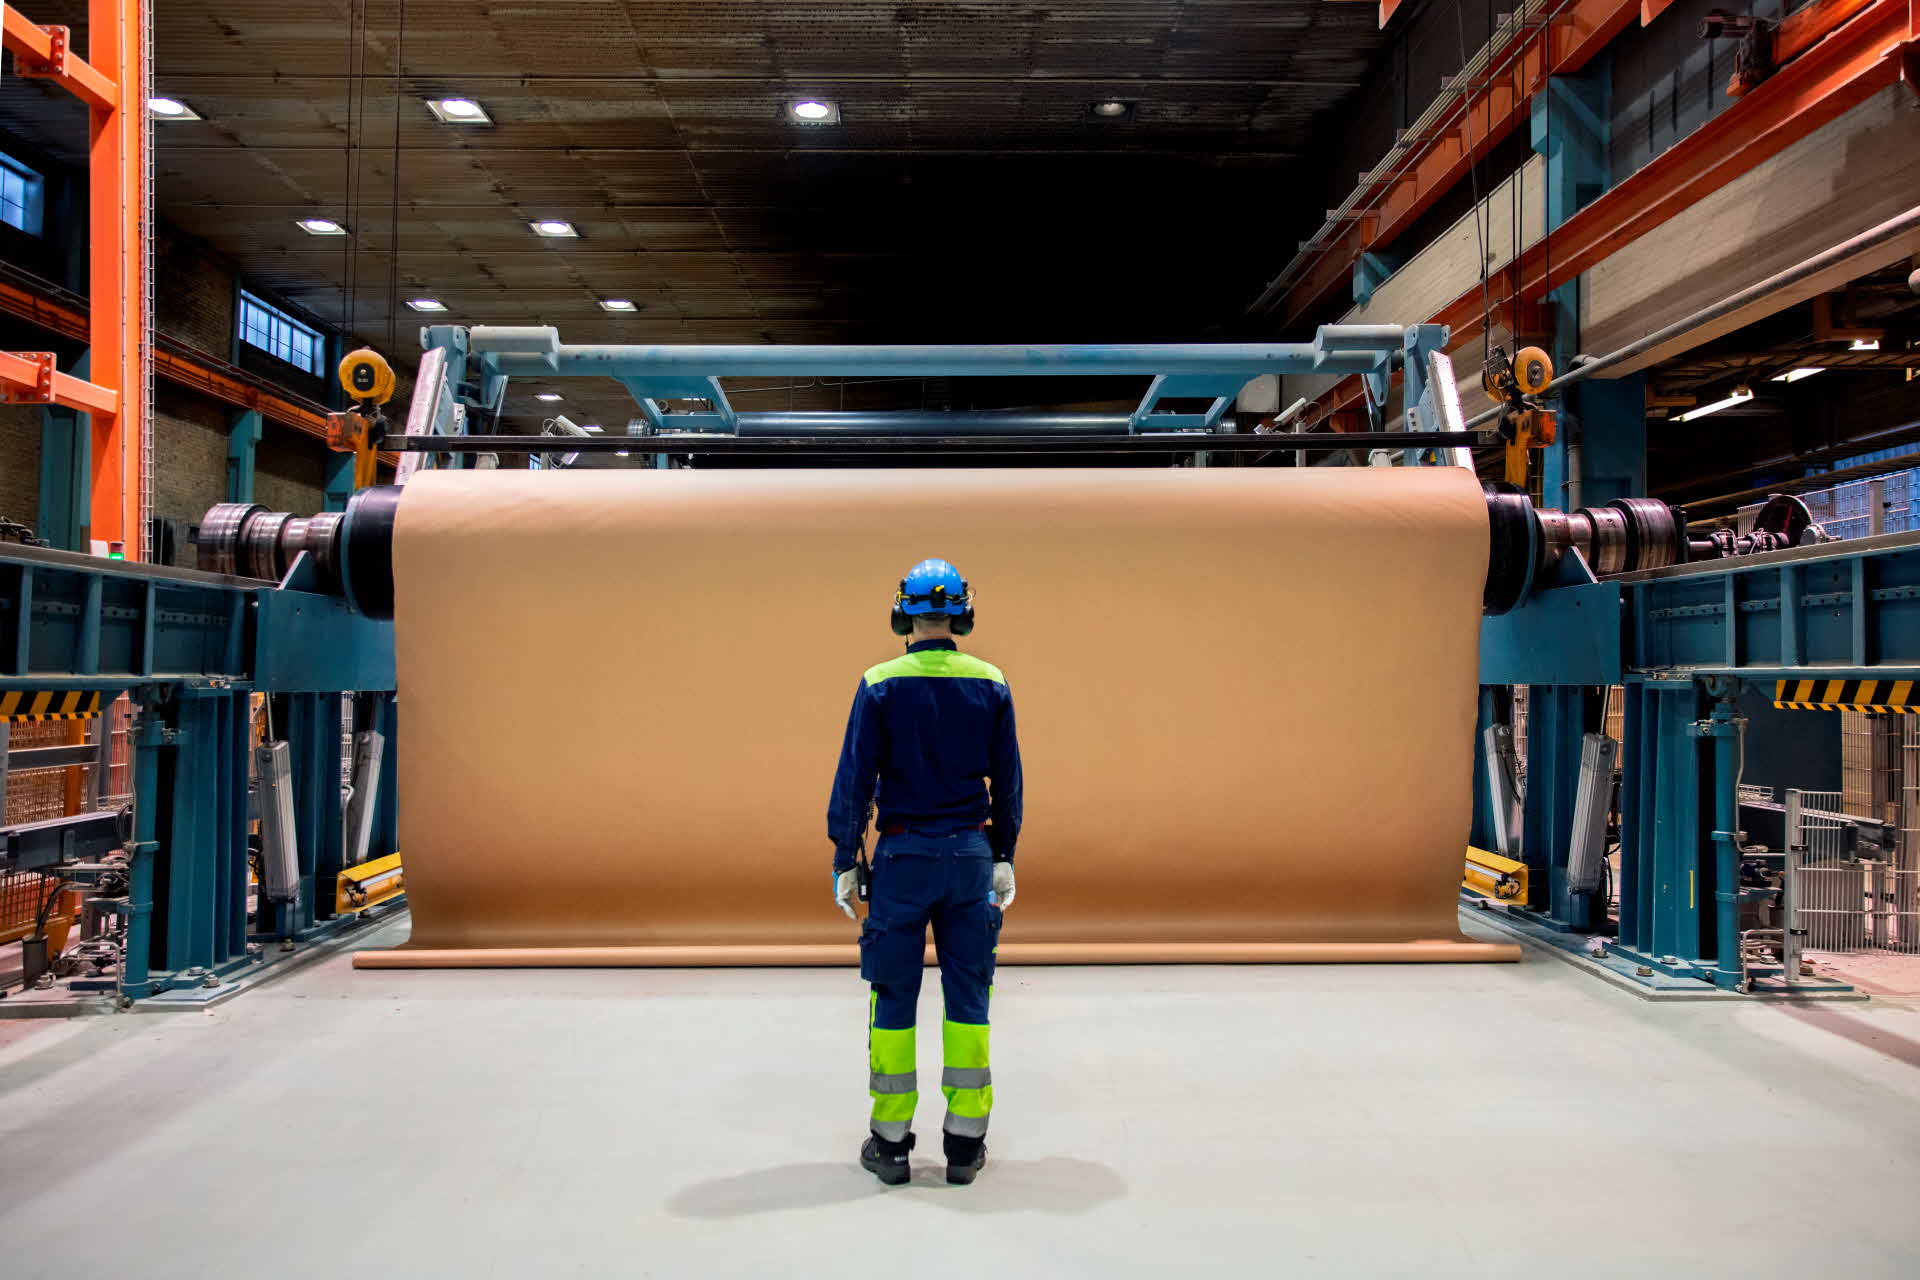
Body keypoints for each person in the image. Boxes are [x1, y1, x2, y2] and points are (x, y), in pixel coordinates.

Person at [827, 557, 1021, 1187]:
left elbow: (855, 778)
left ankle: (891, 1146)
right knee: (970, 996)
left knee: (894, 994)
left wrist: (845, 857)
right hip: (968, 856)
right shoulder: (991, 682)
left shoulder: (879, 682)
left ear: (901, 613)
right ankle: (965, 1148)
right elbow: (1008, 782)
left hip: (903, 857)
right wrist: (1003, 854)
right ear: (963, 611)